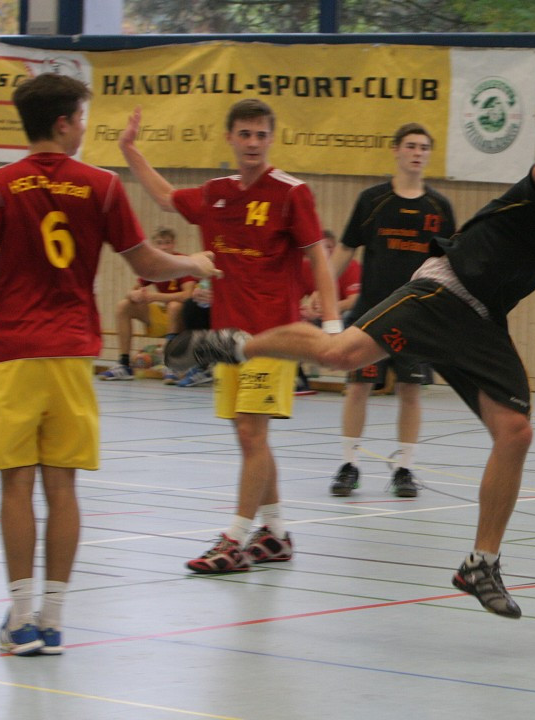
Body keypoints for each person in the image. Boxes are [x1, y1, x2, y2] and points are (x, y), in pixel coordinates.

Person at [166, 106, 535, 618]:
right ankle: (236, 344)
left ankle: (481, 564)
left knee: (516, 431)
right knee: (340, 354)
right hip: (443, 291)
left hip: (483, 322)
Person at [0, 73, 217, 656]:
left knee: (16, 486)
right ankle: (54, 621)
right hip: (72, 351)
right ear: (63, 123)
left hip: (11, 351)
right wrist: (198, 262)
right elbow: (150, 263)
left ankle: (21, 619)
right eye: (81, 118)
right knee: (63, 485)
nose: (84, 128)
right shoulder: (102, 186)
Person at [120, 99, 340, 574]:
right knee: (249, 438)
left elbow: (317, 256)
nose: (254, 143)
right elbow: (164, 198)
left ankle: (235, 539)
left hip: (275, 336)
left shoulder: (290, 192)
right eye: (245, 134)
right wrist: (131, 152)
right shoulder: (216, 194)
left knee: (250, 429)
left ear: (271, 139)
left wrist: (333, 323)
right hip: (228, 338)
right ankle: (276, 533)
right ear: (231, 139)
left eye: (261, 135)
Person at [328, 123, 456, 498]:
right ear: (396, 151)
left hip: (417, 314)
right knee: (358, 387)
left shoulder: (439, 207)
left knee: (410, 391)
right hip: (370, 313)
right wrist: (319, 291)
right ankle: (349, 463)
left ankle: (404, 468)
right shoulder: (372, 201)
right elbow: (346, 248)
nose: (417, 152)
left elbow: (449, 262)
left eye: (424, 147)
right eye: (411, 146)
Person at [99, 227, 196, 383]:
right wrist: (134, 295)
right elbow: (133, 290)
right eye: (159, 243)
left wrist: (154, 296)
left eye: (167, 243)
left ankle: (172, 363)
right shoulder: (155, 265)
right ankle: (124, 364)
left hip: (186, 319)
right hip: (165, 314)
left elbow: (187, 295)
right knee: (124, 305)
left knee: (174, 306)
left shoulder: (183, 262)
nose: (164, 247)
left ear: (173, 244)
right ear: (154, 246)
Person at [295, 229, 360, 395]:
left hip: (344, 317)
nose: (327, 251)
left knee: (352, 319)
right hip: (319, 318)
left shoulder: (350, 266)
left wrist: (329, 309)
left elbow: (354, 301)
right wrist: (304, 311)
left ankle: (356, 379)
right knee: (293, 322)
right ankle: (297, 378)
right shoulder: (304, 267)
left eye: (330, 247)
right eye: (322, 247)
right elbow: (293, 298)